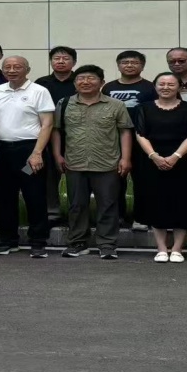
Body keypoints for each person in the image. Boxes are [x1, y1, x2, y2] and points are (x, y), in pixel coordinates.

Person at [54, 65, 133, 260]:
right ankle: (78, 243)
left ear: (102, 82)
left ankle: (107, 244)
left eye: (91, 78)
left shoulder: (116, 105)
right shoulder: (64, 103)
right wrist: (57, 155)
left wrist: (125, 158)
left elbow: (125, 131)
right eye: (81, 78)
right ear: (75, 83)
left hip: (107, 163)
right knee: (76, 205)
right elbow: (56, 130)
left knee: (108, 205)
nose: (85, 82)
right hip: (75, 163)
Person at [0, 56, 54, 258]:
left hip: (29, 151)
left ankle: (38, 241)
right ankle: (8, 240)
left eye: (17, 67)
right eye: (7, 67)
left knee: (34, 195)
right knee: (4, 197)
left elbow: (47, 124)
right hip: (2, 151)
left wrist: (37, 153)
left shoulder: (39, 91)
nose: (12, 70)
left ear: (27, 69)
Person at [136, 72, 187, 263]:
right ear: (155, 86)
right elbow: (140, 133)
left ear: (179, 87)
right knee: (157, 203)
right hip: (152, 161)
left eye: (171, 84)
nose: (166, 87)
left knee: (182, 203)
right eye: (161, 84)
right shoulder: (144, 108)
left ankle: (178, 249)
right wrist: (154, 156)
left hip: (184, 161)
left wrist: (176, 156)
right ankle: (162, 248)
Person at [103, 50, 157, 230]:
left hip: (143, 141)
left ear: (142, 66)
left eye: (134, 62)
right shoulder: (108, 88)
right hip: (113, 141)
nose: (129, 65)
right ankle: (117, 216)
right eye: (125, 62)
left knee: (142, 181)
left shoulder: (151, 88)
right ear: (118, 66)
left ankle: (141, 217)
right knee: (114, 181)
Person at [35, 46, 77, 224]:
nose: (60, 61)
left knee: (77, 176)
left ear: (74, 62)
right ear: (51, 61)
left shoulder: (80, 80)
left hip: (76, 134)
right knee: (48, 174)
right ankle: (52, 211)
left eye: (65, 58)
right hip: (46, 133)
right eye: (56, 58)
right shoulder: (41, 83)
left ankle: (77, 212)